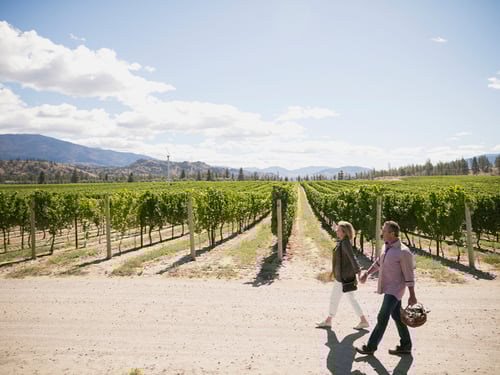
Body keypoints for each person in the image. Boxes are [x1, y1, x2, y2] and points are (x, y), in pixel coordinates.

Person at [355, 220, 417, 356]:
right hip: (388, 286)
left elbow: (409, 274)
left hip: (395, 290)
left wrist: (412, 295)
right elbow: (379, 262)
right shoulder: (386, 246)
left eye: (384, 230)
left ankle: (371, 346)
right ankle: (406, 345)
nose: (381, 232)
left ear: (392, 234)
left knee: (382, 316)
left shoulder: (403, 252)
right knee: (397, 316)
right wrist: (367, 273)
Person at [316, 221, 369, 330]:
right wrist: (333, 273)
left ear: (344, 232)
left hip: (344, 278)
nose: (336, 230)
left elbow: (352, 257)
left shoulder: (345, 243)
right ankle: (330, 320)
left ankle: (329, 320)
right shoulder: (342, 242)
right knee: (346, 299)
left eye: (339, 229)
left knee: (339, 299)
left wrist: (358, 272)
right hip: (341, 276)